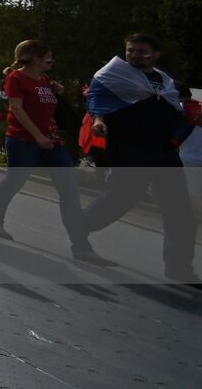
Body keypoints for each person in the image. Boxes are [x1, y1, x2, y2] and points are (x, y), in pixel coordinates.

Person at [0, 40, 114, 266]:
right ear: (34, 58)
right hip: (23, 140)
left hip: (53, 141)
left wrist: (56, 94)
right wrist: (37, 136)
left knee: (69, 190)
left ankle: (81, 246)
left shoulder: (44, 80)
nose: (52, 61)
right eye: (48, 57)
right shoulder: (16, 78)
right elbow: (16, 109)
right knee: (15, 180)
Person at [82, 34, 197, 283]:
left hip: (163, 151)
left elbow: (174, 110)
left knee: (180, 211)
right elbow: (97, 99)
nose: (134, 55)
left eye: (141, 51)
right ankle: (79, 229)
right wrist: (99, 120)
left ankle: (180, 270)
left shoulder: (165, 81)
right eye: (130, 50)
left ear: (155, 55)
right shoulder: (112, 74)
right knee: (122, 198)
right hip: (130, 148)